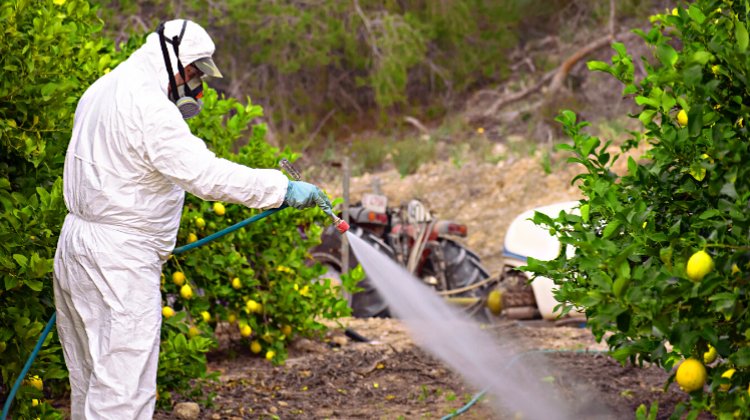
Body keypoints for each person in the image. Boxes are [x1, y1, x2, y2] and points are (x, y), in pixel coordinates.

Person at [52, 19, 331, 419]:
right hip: (121, 259)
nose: (196, 85)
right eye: (195, 74)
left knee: (91, 378)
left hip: (77, 247)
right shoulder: (150, 107)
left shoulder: (103, 88)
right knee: (123, 390)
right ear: (174, 62)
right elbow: (206, 174)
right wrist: (281, 190)